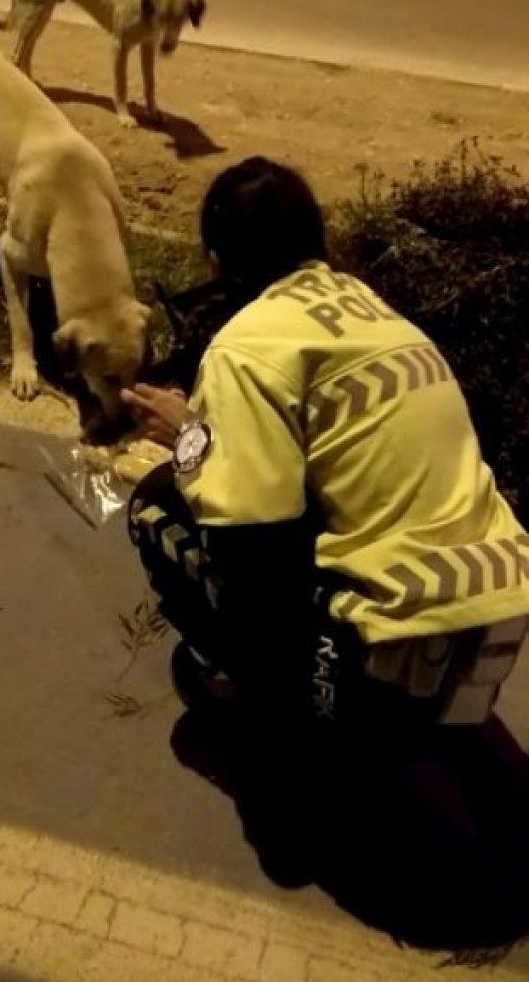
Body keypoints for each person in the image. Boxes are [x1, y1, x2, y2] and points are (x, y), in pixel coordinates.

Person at [121, 156, 529, 946]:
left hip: (386, 626)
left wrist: (193, 446)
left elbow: (254, 539)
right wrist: (199, 428)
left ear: (216, 260)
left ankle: (282, 777)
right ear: (320, 237)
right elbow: (338, 456)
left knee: (159, 519)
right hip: (497, 590)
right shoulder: (377, 315)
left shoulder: (244, 347)